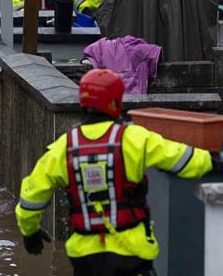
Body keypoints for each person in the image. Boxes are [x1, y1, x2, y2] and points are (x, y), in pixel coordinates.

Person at [16, 68, 212, 276]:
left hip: (85, 258)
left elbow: (31, 197)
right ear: (116, 102)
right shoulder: (134, 138)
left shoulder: (63, 148)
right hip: (131, 253)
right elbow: (184, 160)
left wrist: (30, 232)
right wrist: (211, 160)